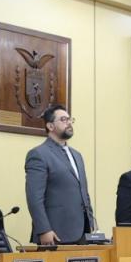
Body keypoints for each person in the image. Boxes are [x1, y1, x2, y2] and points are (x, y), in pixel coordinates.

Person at [25, 104, 95, 244]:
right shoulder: (39, 154)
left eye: (70, 119)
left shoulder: (77, 155)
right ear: (50, 126)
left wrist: (91, 222)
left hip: (83, 231)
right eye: (63, 120)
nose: (69, 123)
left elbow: (83, 191)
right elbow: (34, 198)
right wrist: (44, 229)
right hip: (55, 233)